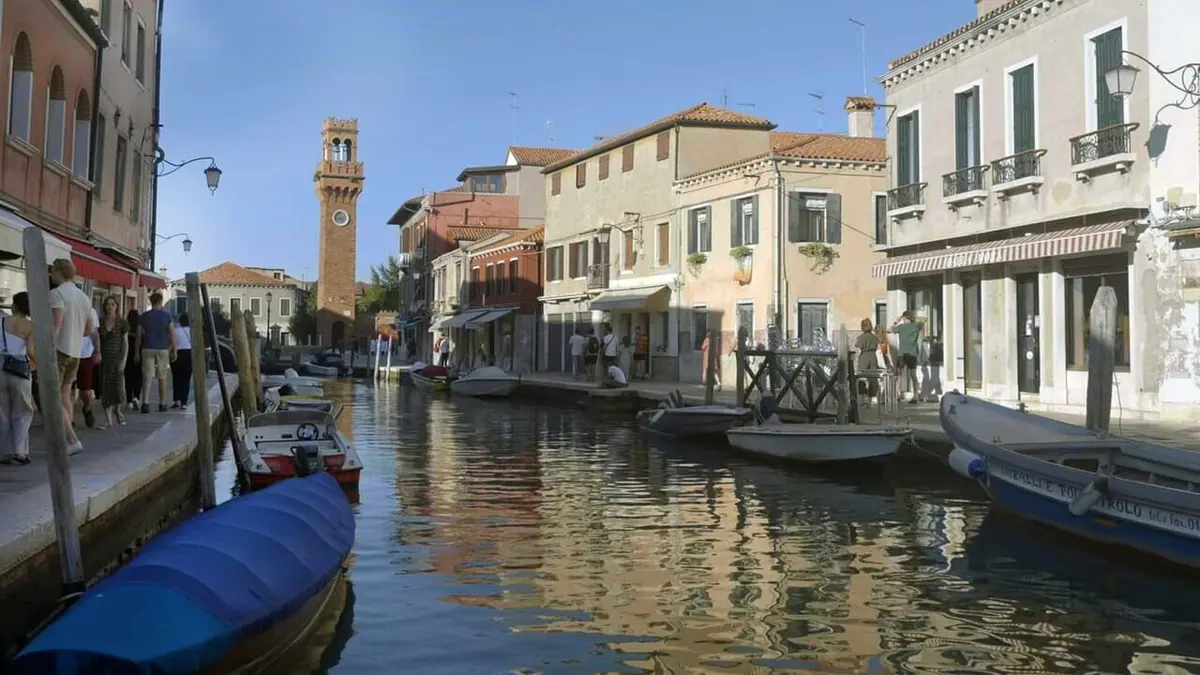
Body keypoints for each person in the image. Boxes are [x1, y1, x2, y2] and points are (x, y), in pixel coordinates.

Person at [48, 258, 92, 454]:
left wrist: (46, 347)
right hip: (76, 351)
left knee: (53, 396)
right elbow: (89, 328)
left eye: (52, 271)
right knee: (66, 394)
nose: (50, 275)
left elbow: (56, 325)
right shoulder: (84, 297)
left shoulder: (56, 294)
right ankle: (69, 437)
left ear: (59, 272)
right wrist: (74, 334)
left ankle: (72, 439)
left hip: (60, 350)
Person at [0, 292, 36, 465]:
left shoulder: (2, 321)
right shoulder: (30, 326)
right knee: (22, 411)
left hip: (1, 366)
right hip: (20, 369)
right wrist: (38, 364)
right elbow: (30, 351)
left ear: (14, 305)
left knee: (3, 412)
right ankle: (20, 452)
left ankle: (3, 452)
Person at [136, 292, 176, 413]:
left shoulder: (143, 316)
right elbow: (172, 334)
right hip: (163, 349)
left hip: (147, 348)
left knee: (147, 377)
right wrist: (174, 349)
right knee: (162, 376)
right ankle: (162, 404)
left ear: (151, 301)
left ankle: (145, 404)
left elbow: (138, 336)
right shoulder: (167, 316)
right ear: (160, 301)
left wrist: (136, 352)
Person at [99, 295, 129, 427]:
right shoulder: (101, 321)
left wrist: (124, 360)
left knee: (118, 388)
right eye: (107, 304)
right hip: (104, 359)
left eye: (112, 304)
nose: (109, 307)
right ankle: (108, 419)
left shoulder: (122, 322)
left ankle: (118, 410)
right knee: (105, 387)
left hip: (117, 358)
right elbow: (97, 340)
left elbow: (125, 343)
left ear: (116, 306)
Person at [76, 301, 101, 428]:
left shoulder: (90, 311)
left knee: (85, 388)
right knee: (67, 388)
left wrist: (97, 351)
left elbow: (94, 333)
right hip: (68, 352)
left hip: (86, 354)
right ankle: (69, 419)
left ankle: (87, 408)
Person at [890, 311, 924, 404]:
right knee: (913, 375)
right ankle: (915, 396)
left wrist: (896, 321)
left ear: (905, 318)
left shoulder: (901, 327)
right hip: (912, 353)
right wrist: (914, 319)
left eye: (903, 318)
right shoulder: (916, 326)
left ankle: (898, 395)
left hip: (902, 354)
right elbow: (924, 320)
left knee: (900, 375)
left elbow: (889, 330)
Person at [855, 318, 881, 403]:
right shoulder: (874, 337)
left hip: (864, 356)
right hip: (873, 356)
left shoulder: (861, 337)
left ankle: (863, 394)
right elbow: (878, 347)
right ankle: (873, 396)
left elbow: (858, 350)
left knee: (861, 376)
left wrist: (856, 360)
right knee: (873, 377)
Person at [171, 312, 193, 409]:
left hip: (177, 354)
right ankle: (184, 402)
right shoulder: (193, 331)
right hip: (188, 354)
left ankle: (176, 400)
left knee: (176, 378)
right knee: (186, 379)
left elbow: (172, 343)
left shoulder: (176, 331)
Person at [124, 308, 141, 410]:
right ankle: (137, 397)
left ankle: (129, 400)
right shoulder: (140, 328)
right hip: (138, 354)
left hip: (127, 355)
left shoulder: (126, 327)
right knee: (138, 377)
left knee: (128, 378)